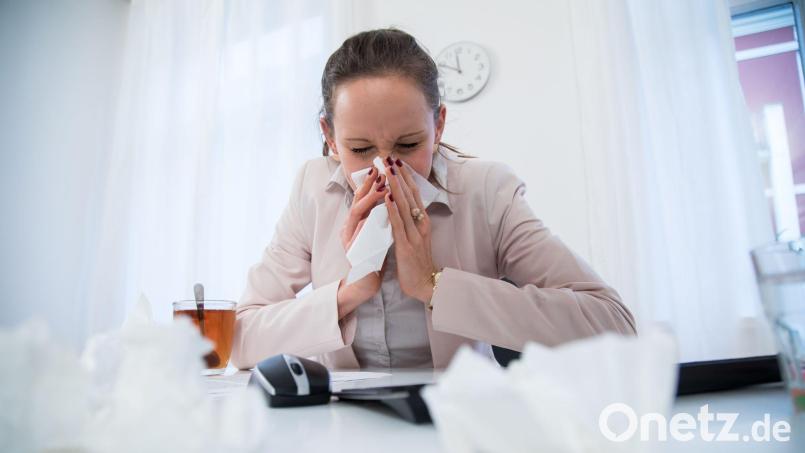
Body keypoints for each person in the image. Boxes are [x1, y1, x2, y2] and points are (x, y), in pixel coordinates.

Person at [231, 28, 636, 370]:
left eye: (408, 144)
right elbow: (240, 340)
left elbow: (613, 325)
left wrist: (434, 284)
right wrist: (348, 292)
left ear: (438, 125)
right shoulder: (312, 189)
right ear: (329, 136)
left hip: (457, 416)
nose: (382, 169)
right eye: (358, 148)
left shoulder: (487, 191)